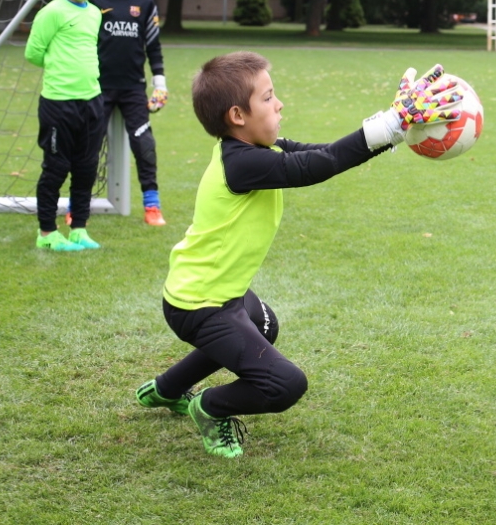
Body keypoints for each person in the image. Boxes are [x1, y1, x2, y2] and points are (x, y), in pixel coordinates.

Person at [134, 52, 462, 458]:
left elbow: (324, 154)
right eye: (269, 98)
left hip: (221, 294)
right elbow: (317, 167)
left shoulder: (254, 150)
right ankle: (210, 407)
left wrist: (394, 127)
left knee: (264, 325)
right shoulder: (243, 163)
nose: (280, 104)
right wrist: (390, 123)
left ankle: (167, 390)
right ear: (238, 115)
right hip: (199, 306)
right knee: (285, 385)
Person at [24, 0, 106, 251]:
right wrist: (61, 69)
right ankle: (46, 232)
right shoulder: (52, 13)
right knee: (56, 168)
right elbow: (33, 53)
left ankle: (79, 228)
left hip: (93, 101)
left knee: (86, 168)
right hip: (59, 105)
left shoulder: (95, 13)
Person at [89, 0, 168, 226]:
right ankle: (78, 204)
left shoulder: (145, 4)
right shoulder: (96, 3)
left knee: (144, 144)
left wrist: (160, 84)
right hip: (98, 88)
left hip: (134, 88)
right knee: (89, 145)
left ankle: (152, 205)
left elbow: (154, 48)